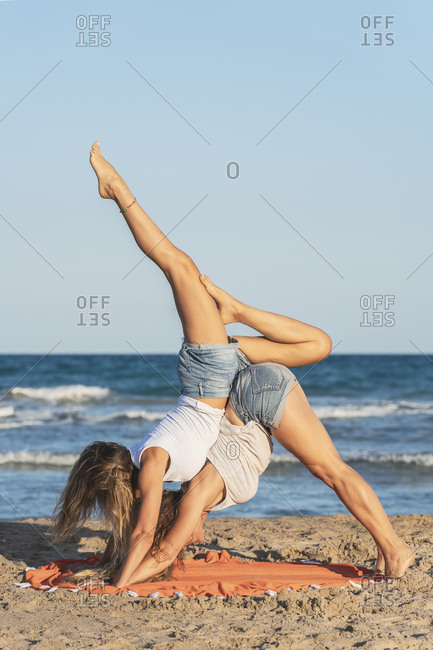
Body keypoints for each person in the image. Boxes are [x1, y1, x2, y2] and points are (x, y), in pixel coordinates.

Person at [51, 142, 332, 587]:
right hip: (213, 377)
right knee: (315, 344)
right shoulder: (150, 466)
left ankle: (119, 191)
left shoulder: (152, 464)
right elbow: (143, 532)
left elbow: (145, 534)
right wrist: (117, 581)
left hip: (208, 377)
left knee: (180, 266)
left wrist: (116, 582)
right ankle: (118, 190)